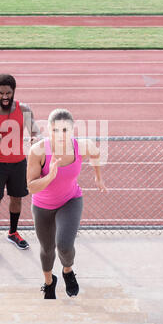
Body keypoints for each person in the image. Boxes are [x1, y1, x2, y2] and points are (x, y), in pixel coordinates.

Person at [27, 109, 106, 299]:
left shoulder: (82, 146)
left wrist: (98, 178)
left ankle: (68, 271)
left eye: (65, 130)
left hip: (70, 200)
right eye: (55, 130)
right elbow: (31, 187)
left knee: (64, 245)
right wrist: (50, 177)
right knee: (47, 249)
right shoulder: (38, 151)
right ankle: (49, 282)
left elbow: (96, 154)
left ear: (73, 130)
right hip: (42, 206)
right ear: (49, 130)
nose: (61, 135)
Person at [0, 74, 42, 262]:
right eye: (1, 93)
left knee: (17, 200)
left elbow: (35, 130)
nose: (5, 96)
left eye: (8, 93)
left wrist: (35, 138)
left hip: (19, 163)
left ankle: (13, 233)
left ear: (14, 92)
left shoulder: (24, 109)